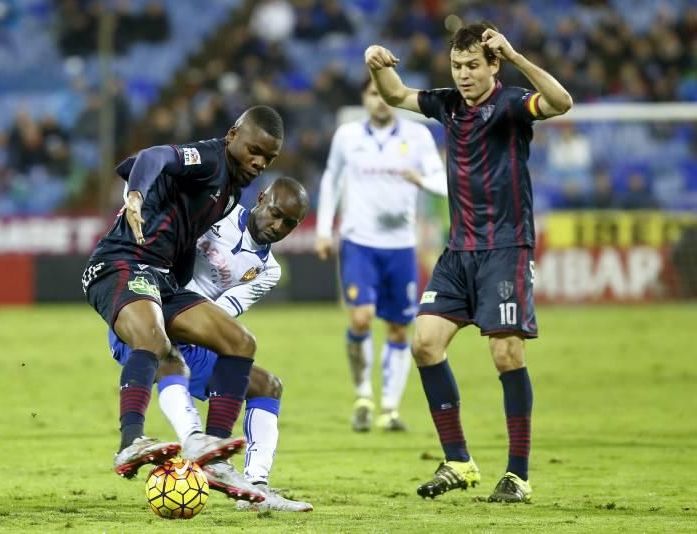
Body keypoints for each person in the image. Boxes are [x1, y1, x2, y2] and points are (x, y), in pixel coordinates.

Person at [365, 21, 572, 503]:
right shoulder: (448, 104)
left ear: (493, 65)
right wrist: (376, 64)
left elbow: (562, 102)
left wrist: (518, 56)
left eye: (473, 66)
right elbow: (396, 94)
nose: (463, 75)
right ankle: (458, 460)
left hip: (506, 248)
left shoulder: (514, 104)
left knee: (506, 353)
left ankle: (517, 474)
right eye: (457, 66)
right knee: (424, 343)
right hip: (458, 252)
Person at [81, 106, 284, 503]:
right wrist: (137, 194)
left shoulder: (229, 194)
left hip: (163, 279)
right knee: (154, 341)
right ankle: (130, 441)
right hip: (121, 262)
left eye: (269, 158)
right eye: (254, 150)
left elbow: (180, 225)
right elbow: (152, 157)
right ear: (233, 136)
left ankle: (213, 453)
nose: (259, 162)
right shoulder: (210, 158)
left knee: (240, 342)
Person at [110, 176, 313, 512]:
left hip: (193, 329)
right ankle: (181, 441)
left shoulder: (268, 270)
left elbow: (220, 315)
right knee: (164, 349)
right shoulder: (218, 212)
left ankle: (256, 488)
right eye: (275, 213)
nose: (277, 226)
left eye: (289, 224)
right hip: (145, 310)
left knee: (267, 386)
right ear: (261, 198)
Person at [315, 78, 447, 432]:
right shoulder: (347, 136)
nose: (381, 101)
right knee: (360, 318)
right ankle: (363, 396)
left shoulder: (418, 136)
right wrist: (324, 230)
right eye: (374, 94)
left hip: (401, 246)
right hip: (359, 242)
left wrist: (421, 180)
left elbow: (443, 181)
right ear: (364, 99)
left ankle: (389, 408)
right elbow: (331, 179)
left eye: (386, 94)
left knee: (399, 330)